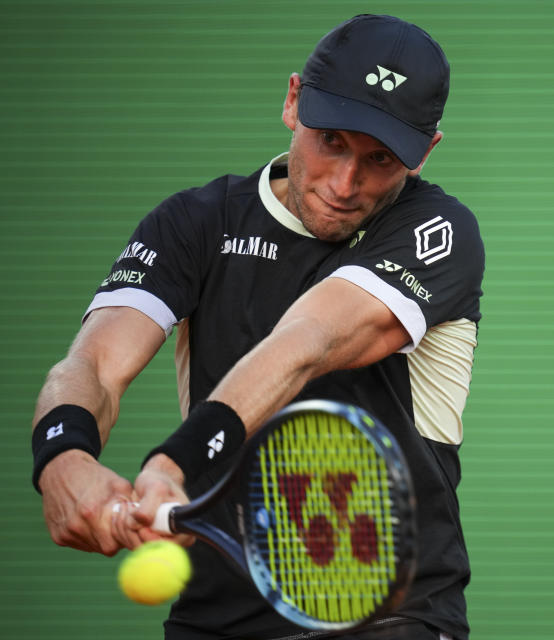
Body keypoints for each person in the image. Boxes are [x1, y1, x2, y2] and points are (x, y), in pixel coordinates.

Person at [31, 14, 483, 640]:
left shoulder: (437, 233)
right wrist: (62, 454)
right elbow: (95, 365)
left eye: (379, 159)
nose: (344, 183)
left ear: (426, 150)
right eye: (331, 141)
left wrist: (174, 464)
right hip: (215, 619)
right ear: (294, 102)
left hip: (394, 618)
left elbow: (304, 344)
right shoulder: (194, 223)